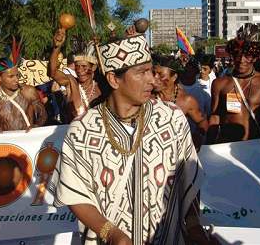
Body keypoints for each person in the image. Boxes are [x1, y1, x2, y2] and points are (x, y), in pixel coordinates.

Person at [54, 30, 215, 245]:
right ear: (113, 79)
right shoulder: (83, 129)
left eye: (152, 71)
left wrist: (194, 227)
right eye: (142, 72)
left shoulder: (172, 119)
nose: (152, 80)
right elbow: (75, 193)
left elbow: (190, 178)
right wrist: (112, 234)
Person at [208, 24, 260, 143]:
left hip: (255, 143)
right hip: (226, 143)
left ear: (255, 58)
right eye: (237, 55)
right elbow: (215, 117)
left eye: (247, 56)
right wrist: (207, 146)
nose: (241, 60)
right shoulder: (219, 83)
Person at [0, 39, 47, 131]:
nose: (16, 80)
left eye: (17, 75)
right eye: (11, 77)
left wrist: (37, 126)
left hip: (27, 138)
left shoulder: (28, 91)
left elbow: (42, 114)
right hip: (7, 142)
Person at [152, 54, 208, 150]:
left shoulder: (186, 101)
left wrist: (198, 137)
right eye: (153, 74)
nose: (154, 78)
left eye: (160, 75)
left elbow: (202, 122)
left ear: (174, 77)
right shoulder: (147, 97)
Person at [48, 29, 101, 119]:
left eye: (84, 66)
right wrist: (57, 48)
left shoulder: (102, 87)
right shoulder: (71, 82)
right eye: (77, 66)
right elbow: (52, 72)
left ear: (93, 68)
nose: (79, 70)